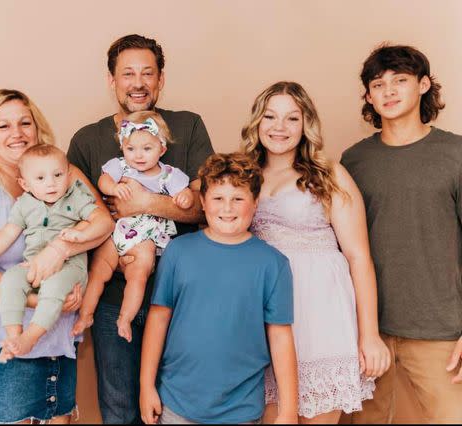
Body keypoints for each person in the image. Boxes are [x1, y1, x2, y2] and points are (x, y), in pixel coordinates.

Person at [67, 34, 214, 423]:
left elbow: (209, 206)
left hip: (180, 294)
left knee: (180, 407)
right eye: (127, 73)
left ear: (161, 79)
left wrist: (146, 203)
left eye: (147, 73)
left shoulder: (188, 127)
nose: (138, 82)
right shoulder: (88, 140)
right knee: (120, 409)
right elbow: (75, 215)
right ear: (111, 80)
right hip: (115, 295)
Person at [0, 89, 112, 423]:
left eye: (25, 123)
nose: (17, 133)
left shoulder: (62, 174)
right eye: (4, 126)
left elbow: (104, 224)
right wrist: (48, 299)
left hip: (57, 340)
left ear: (38, 128)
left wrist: (61, 249)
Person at [243, 81, 390, 423]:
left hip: (321, 314)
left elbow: (358, 257)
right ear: (257, 122)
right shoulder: (243, 175)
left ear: (305, 124)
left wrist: (369, 334)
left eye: (292, 118)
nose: (279, 127)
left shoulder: (329, 175)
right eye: (270, 116)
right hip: (264, 311)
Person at [341, 44, 462, 423]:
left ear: (424, 85)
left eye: (400, 80)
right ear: (368, 96)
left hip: (441, 333)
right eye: (378, 84)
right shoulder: (354, 160)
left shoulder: (455, 154)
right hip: (367, 333)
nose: (389, 91)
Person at [139, 152, 298, 424]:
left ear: (255, 203)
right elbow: (158, 318)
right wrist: (145, 386)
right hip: (177, 404)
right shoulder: (178, 251)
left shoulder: (273, 264)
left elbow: (281, 337)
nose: (228, 208)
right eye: (218, 199)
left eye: (238, 199)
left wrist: (288, 411)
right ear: (203, 201)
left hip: (241, 409)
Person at [0, 144, 113, 362]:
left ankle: (31, 336)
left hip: (70, 268)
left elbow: (101, 221)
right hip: (34, 266)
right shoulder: (25, 205)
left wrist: (81, 235)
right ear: (24, 184)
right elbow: (9, 232)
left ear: (68, 175)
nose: (51, 183)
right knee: (10, 280)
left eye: (58, 175)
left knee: (54, 287)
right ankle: (13, 336)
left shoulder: (74, 197)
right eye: (40, 178)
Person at [72, 111, 193, 343]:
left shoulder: (168, 175)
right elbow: (103, 180)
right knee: (98, 270)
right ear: (122, 149)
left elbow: (185, 193)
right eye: (130, 149)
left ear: (162, 149)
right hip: (118, 230)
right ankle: (85, 315)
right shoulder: (120, 167)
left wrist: (184, 198)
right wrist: (113, 189)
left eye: (147, 149)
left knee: (138, 274)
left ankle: (125, 318)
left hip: (145, 238)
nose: (138, 156)